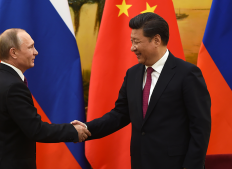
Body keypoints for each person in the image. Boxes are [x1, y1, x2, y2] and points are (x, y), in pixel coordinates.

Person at [72, 13, 211, 169]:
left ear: (156, 40)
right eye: (132, 41)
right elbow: (119, 115)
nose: (132, 48)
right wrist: (86, 128)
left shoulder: (187, 74)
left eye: (136, 42)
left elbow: (200, 127)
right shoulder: (133, 74)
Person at [0, 28, 91, 169]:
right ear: (13, 52)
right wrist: (73, 131)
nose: (36, 52)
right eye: (30, 47)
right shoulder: (13, 86)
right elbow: (36, 130)